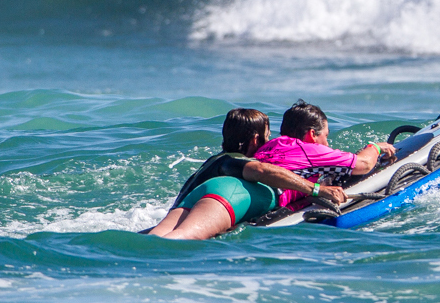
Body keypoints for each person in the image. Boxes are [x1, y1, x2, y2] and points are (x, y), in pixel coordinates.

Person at [148, 108, 347, 240]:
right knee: (180, 239)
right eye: (267, 138)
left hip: (190, 200)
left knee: (154, 239)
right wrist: (316, 189)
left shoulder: (214, 160)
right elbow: (261, 170)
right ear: (254, 140)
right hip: (221, 196)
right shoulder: (236, 161)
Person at [252, 99, 397, 196]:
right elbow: (364, 164)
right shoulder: (310, 150)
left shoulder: (269, 146)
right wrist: (375, 147)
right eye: (325, 136)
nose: (327, 144)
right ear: (312, 134)